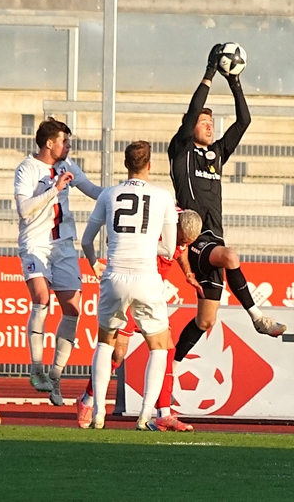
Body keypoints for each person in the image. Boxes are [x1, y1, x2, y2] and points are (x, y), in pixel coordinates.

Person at [170, 45, 286, 365]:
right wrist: (209, 73)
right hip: (197, 241)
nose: (209, 126)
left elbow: (244, 120)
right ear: (190, 126)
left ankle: (172, 368)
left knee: (206, 321)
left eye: (211, 122)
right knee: (231, 256)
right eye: (203, 122)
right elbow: (193, 111)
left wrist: (234, 81)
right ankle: (258, 317)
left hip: (214, 241)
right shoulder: (181, 152)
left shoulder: (217, 154)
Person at [80, 141, 179, 430]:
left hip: (115, 275)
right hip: (146, 277)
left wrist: (93, 263)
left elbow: (86, 240)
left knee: (105, 342)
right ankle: (146, 414)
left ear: (125, 164)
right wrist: (147, 246)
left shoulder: (109, 194)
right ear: (150, 165)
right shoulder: (163, 197)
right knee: (158, 345)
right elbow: (169, 249)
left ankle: (98, 411)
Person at [75, 209, 201, 431]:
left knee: (166, 348)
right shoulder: (156, 220)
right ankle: (87, 400)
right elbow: (115, 237)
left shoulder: (181, 230)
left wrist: (188, 274)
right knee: (117, 353)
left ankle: (163, 414)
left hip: (152, 293)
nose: (182, 245)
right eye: (181, 239)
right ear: (175, 226)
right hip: (133, 284)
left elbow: (180, 251)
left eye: (187, 243)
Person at [14, 118, 103, 406]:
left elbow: (93, 190)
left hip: (63, 245)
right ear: (50, 143)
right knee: (41, 299)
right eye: (65, 141)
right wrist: (54, 188)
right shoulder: (27, 168)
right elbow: (24, 209)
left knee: (73, 309)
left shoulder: (68, 166)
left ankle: (55, 376)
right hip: (35, 244)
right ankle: (36, 369)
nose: (69, 146)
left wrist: (124, 191)